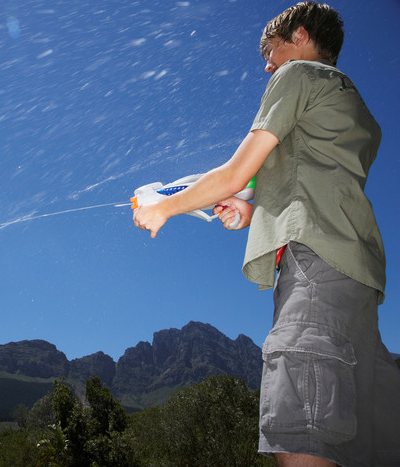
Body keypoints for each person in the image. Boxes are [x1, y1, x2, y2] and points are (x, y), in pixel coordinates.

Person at [133, 2, 400, 466]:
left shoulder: (298, 75)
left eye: (270, 51)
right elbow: (310, 178)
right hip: (356, 284)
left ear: (298, 37)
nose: (266, 64)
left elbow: (238, 170)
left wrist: (165, 208)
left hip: (314, 274)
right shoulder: (352, 105)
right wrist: (252, 207)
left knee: (302, 437)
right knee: (361, 444)